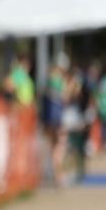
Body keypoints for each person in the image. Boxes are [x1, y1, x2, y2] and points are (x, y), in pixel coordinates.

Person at [41, 53, 70, 186]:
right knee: (59, 146)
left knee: (51, 146)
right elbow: (64, 97)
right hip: (56, 119)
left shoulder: (48, 79)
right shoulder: (57, 80)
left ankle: (51, 172)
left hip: (49, 119)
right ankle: (57, 175)